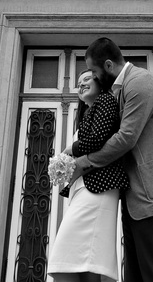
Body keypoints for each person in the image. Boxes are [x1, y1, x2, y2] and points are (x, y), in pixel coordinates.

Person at [74, 37, 153, 282]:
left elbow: (126, 138)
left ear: (108, 66)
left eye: (96, 72)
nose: (95, 78)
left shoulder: (141, 83)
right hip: (137, 196)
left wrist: (84, 162)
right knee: (136, 274)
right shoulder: (120, 89)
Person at [48, 69, 128, 282]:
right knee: (82, 261)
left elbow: (97, 141)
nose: (81, 84)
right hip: (86, 188)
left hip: (98, 188)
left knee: (69, 259)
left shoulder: (105, 101)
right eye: (78, 82)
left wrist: (67, 151)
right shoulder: (88, 114)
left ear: (99, 82)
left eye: (86, 79)